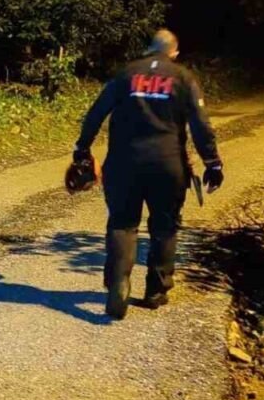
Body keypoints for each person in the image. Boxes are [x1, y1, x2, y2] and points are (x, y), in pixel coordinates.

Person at [72, 28, 223, 320]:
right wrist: (212, 163)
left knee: (122, 223)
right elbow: (201, 124)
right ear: (174, 52)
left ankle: (118, 281)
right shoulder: (183, 78)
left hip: (123, 163)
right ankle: (156, 290)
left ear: (148, 49)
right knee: (164, 226)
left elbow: (96, 112)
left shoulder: (126, 74)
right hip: (168, 164)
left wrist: (82, 148)